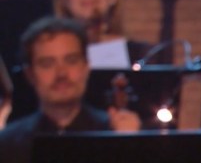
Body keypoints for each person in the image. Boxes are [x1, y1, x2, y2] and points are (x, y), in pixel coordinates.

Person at [0, 16, 141, 163]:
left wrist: (128, 147)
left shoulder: (116, 132)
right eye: (47, 63)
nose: (61, 74)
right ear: (30, 74)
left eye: (71, 61)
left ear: (86, 67)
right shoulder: (7, 144)